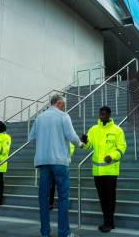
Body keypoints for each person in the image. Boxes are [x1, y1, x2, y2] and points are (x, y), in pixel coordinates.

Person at [29, 94, 83, 237]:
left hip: (43, 161)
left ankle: (45, 233)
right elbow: (72, 136)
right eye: (63, 104)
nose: (64, 106)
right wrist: (80, 144)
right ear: (59, 103)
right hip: (59, 161)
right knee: (63, 197)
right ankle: (63, 233)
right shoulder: (63, 116)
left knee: (43, 198)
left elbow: (31, 137)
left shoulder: (39, 117)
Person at [80, 106, 126, 233]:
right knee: (102, 198)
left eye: (105, 114)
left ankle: (109, 223)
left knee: (110, 198)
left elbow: (122, 148)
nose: (102, 116)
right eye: (101, 114)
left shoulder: (117, 130)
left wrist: (111, 156)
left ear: (110, 115)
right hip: (97, 171)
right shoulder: (94, 129)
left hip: (111, 171)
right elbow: (88, 146)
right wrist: (84, 141)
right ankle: (108, 221)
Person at [49, 143, 75, 210]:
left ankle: (63, 204)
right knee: (51, 185)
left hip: (62, 165)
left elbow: (71, 149)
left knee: (62, 186)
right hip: (52, 164)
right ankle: (50, 203)